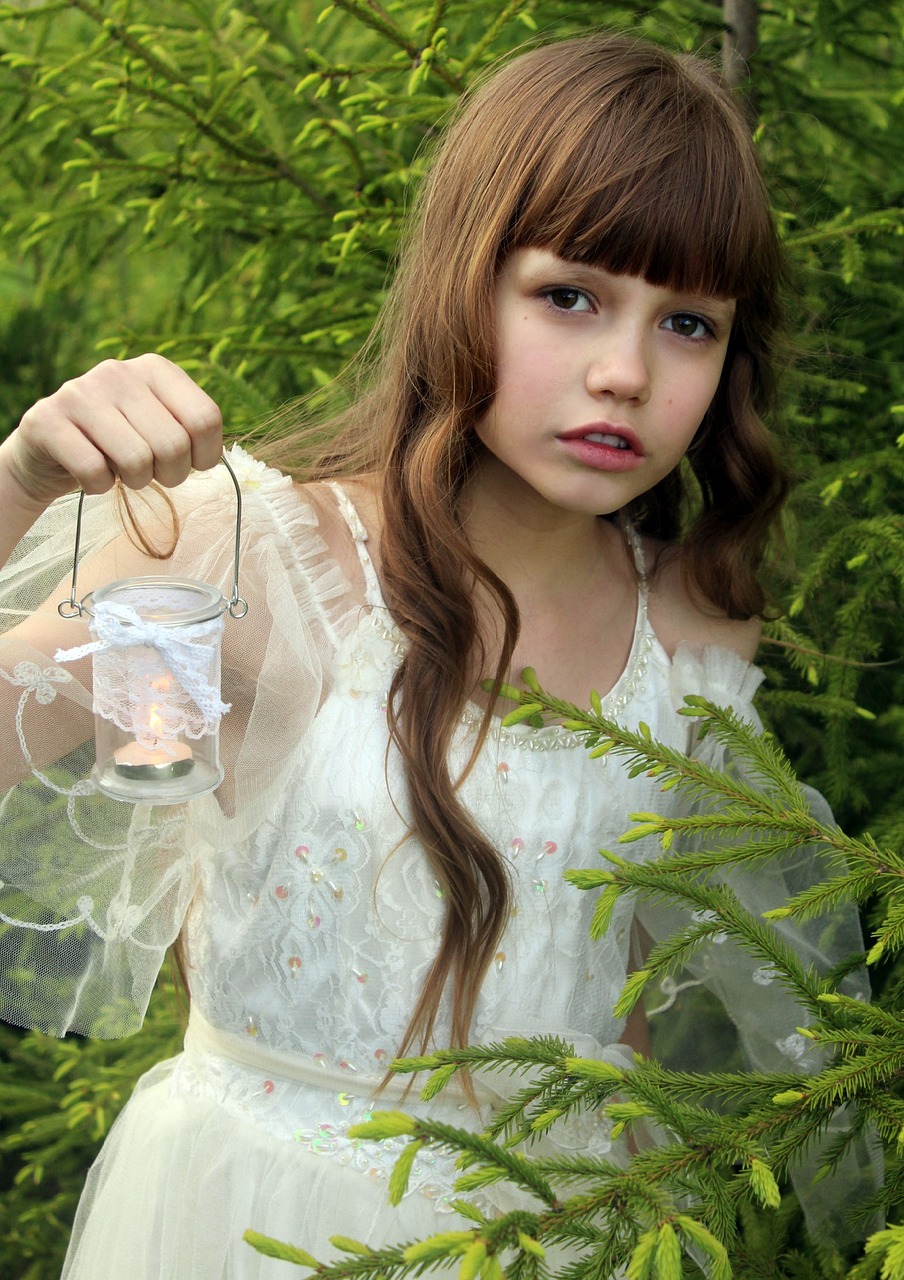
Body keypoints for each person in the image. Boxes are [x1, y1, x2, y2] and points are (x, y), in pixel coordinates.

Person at [0, 32, 875, 1280]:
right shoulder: (260, 571)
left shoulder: (685, 635)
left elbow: (621, 1007)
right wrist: (19, 483)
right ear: (465, 280)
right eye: (569, 294)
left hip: (551, 1238)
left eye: (687, 322)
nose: (625, 371)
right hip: (245, 1227)